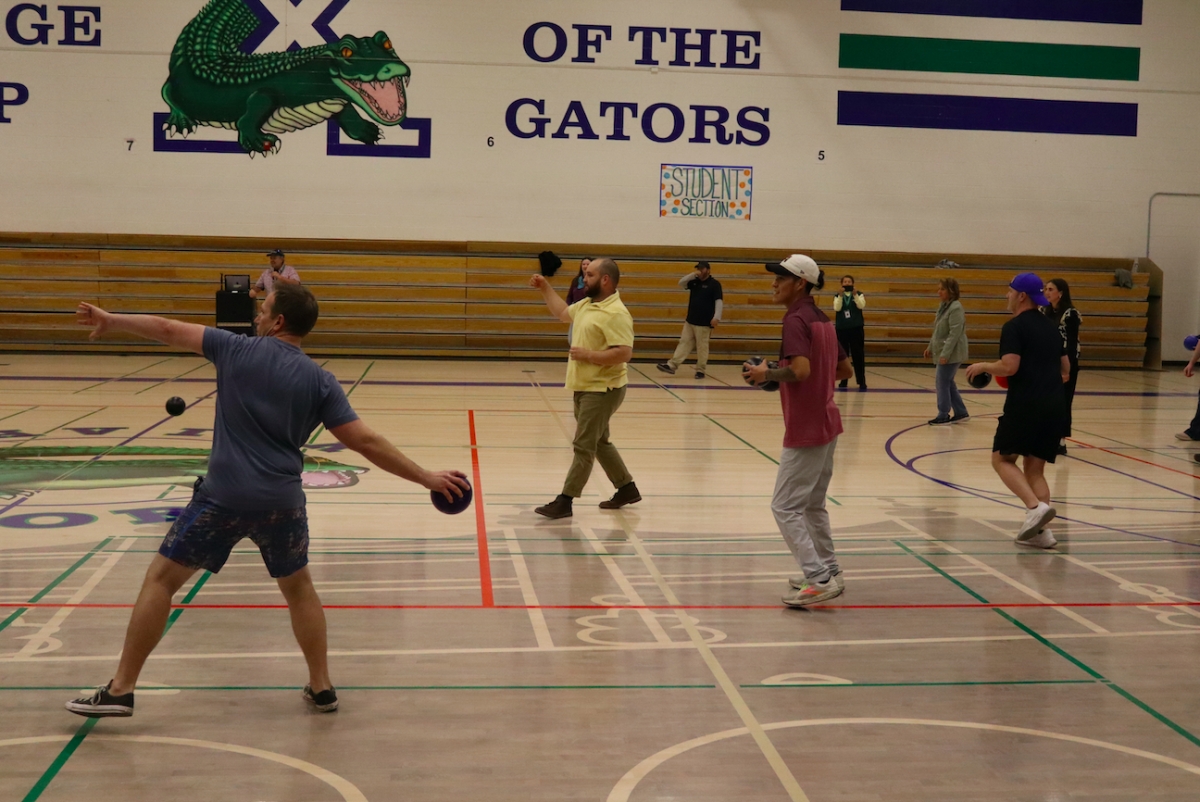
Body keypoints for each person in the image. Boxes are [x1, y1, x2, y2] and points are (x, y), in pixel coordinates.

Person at [66, 284, 468, 718]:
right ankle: (322, 686)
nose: (257, 315)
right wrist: (425, 477)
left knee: (161, 580)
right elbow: (365, 441)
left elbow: (166, 328)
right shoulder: (320, 380)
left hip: (222, 499)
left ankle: (122, 689)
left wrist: (113, 321)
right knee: (299, 589)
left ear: (278, 322)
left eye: (264, 310)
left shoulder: (235, 349)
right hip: (283, 504)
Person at [743, 255, 853, 607]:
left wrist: (767, 374)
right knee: (813, 505)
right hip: (828, 421)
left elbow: (802, 371)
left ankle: (818, 579)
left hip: (807, 427)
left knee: (784, 506)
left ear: (800, 283)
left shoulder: (794, 319)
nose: (774, 284)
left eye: (781, 278)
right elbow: (846, 370)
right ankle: (829, 570)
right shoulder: (823, 320)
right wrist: (804, 373)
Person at [529, 258, 640, 519]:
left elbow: (624, 353)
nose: (584, 278)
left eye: (589, 275)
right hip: (585, 385)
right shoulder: (588, 304)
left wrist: (589, 355)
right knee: (599, 442)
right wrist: (545, 287)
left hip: (602, 389)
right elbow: (561, 313)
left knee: (584, 445)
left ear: (605, 280)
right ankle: (627, 488)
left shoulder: (616, 313)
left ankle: (565, 501)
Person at [965, 273, 1070, 550]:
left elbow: (1009, 366)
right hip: (1055, 405)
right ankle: (1041, 533)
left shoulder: (1014, 326)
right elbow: (1066, 371)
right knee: (1035, 470)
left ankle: (1034, 508)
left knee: (1002, 459)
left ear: (1022, 295)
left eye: (1009, 291)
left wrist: (984, 366)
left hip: (1026, 405)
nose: (1007, 295)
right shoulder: (1051, 327)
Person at [656, 260, 724, 379]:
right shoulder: (694, 282)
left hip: (704, 322)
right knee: (684, 343)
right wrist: (693, 275)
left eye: (702, 269)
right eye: (698, 268)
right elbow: (681, 283)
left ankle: (700, 370)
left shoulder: (714, 284)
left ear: (708, 270)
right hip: (690, 320)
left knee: (702, 347)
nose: (700, 271)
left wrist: (717, 317)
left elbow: (719, 301)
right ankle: (672, 365)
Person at [924, 277, 970, 425]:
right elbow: (938, 331)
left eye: (942, 289)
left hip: (953, 353)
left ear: (951, 291)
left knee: (942, 381)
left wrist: (945, 354)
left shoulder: (956, 307)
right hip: (944, 351)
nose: (939, 292)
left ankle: (943, 414)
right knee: (948, 382)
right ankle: (961, 412)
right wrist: (930, 347)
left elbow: (954, 333)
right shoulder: (943, 306)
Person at [1043, 278, 1081, 455]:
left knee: (1063, 403)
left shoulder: (1070, 314)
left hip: (1066, 364)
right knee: (1047, 402)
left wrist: (1067, 369)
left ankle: (1061, 441)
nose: (1047, 292)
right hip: (1048, 363)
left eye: (1051, 289)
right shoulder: (1044, 311)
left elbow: (1072, 344)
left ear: (1061, 293)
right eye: (1045, 289)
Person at [833, 274, 867, 390]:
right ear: (841, 284)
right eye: (845, 282)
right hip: (842, 329)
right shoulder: (838, 295)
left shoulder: (859, 294)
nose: (847, 284)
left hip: (856, 329)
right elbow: (837, 308)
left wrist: (855, 295)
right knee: (843, 356)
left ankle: (861, 381)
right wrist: (841, 296)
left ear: (853, 284)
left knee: (858, 355)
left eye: (849, 282)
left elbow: (861, 305)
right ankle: (843, 380)